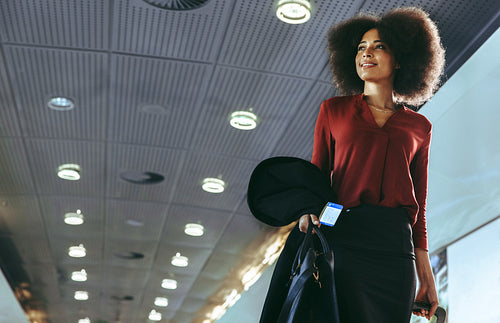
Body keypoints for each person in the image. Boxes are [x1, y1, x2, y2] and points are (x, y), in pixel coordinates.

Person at [259, 7, 445, 323]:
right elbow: (316, 179)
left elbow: (420, 208)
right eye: (361, 47)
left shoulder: (420, 127)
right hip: (343, 238)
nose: (366, 54)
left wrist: (426, 275)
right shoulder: (333, 111)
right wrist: (308, 212)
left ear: (400, 59)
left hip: (395, 249)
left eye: (379, 46)